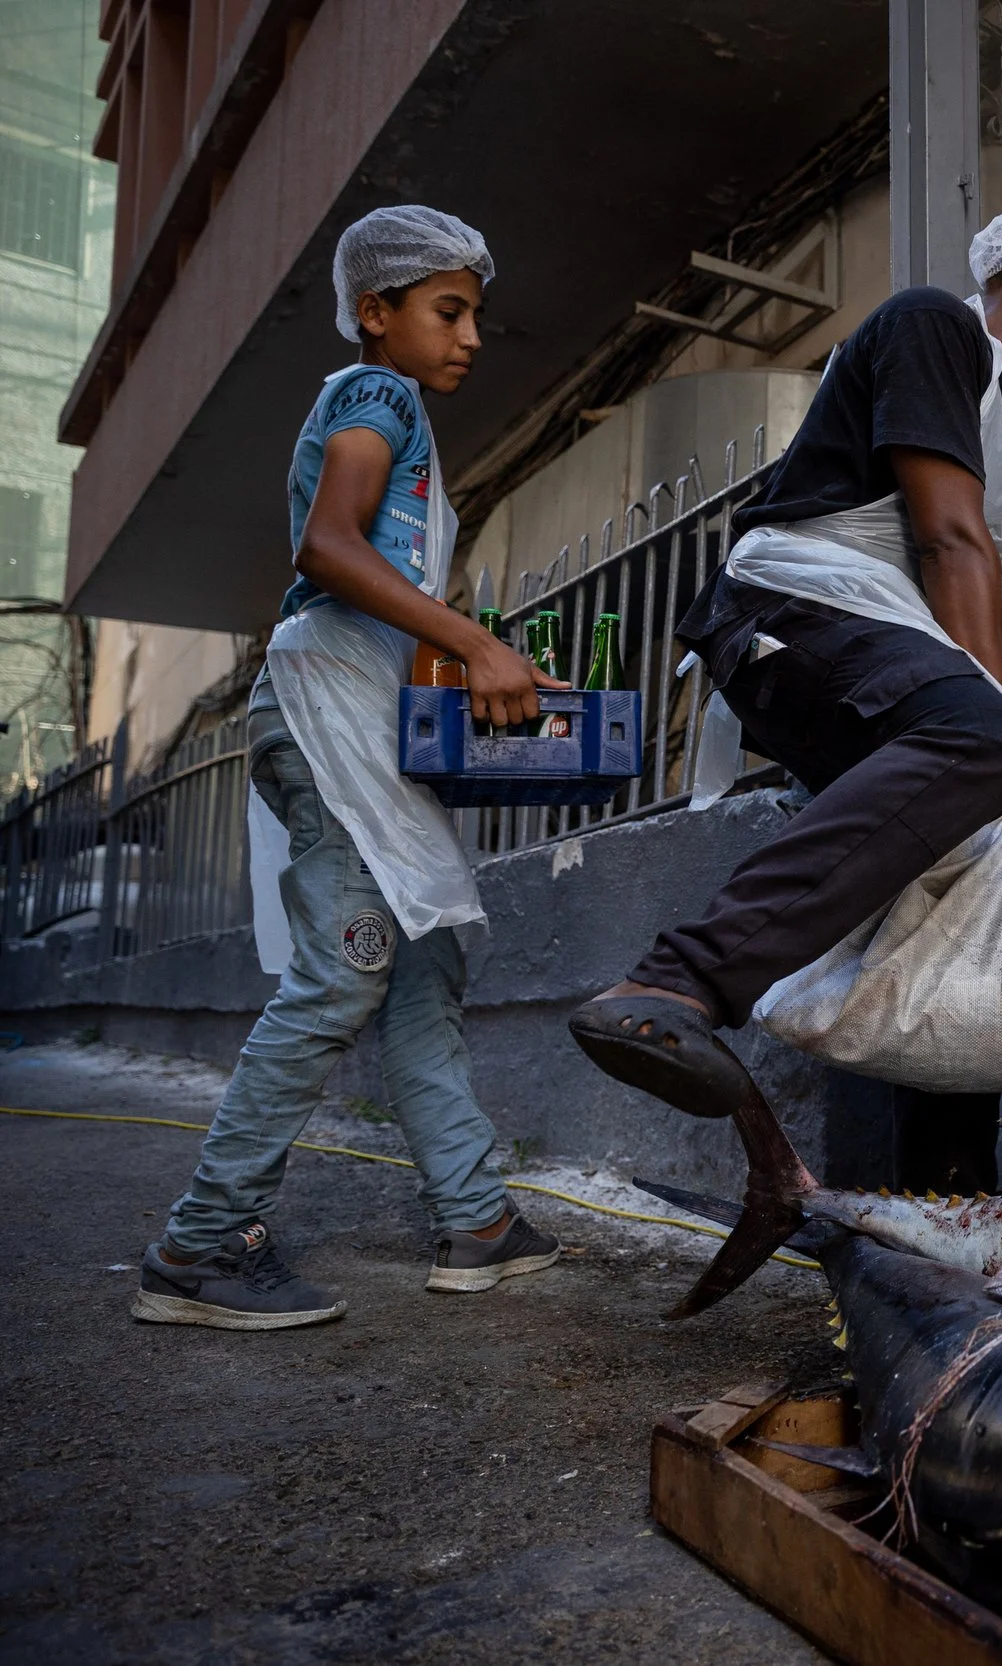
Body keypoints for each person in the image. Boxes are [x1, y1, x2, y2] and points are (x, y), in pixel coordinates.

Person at [568, 201, 1002, 1133]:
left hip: (894, 655)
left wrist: (996, 761)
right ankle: (674, 983)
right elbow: (952, 544)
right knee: (983, 743)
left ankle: (943, 1197)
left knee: (955, 864)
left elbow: (985, 607)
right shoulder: (931, 325)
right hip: (790, 611)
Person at [134, 208, 570, 1331]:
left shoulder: (397, 410)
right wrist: (474, 643)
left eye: (475, 312)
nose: (472, 334)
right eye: (447, 310)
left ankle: (476, 1218)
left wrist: (484, 665)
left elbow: (372, 583)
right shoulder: (377, 397)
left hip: (362, 716)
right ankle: (199, 1245)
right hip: (325, 716)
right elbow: (325, 549)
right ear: (377, 314)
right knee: (343, 973)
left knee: (424, 970)